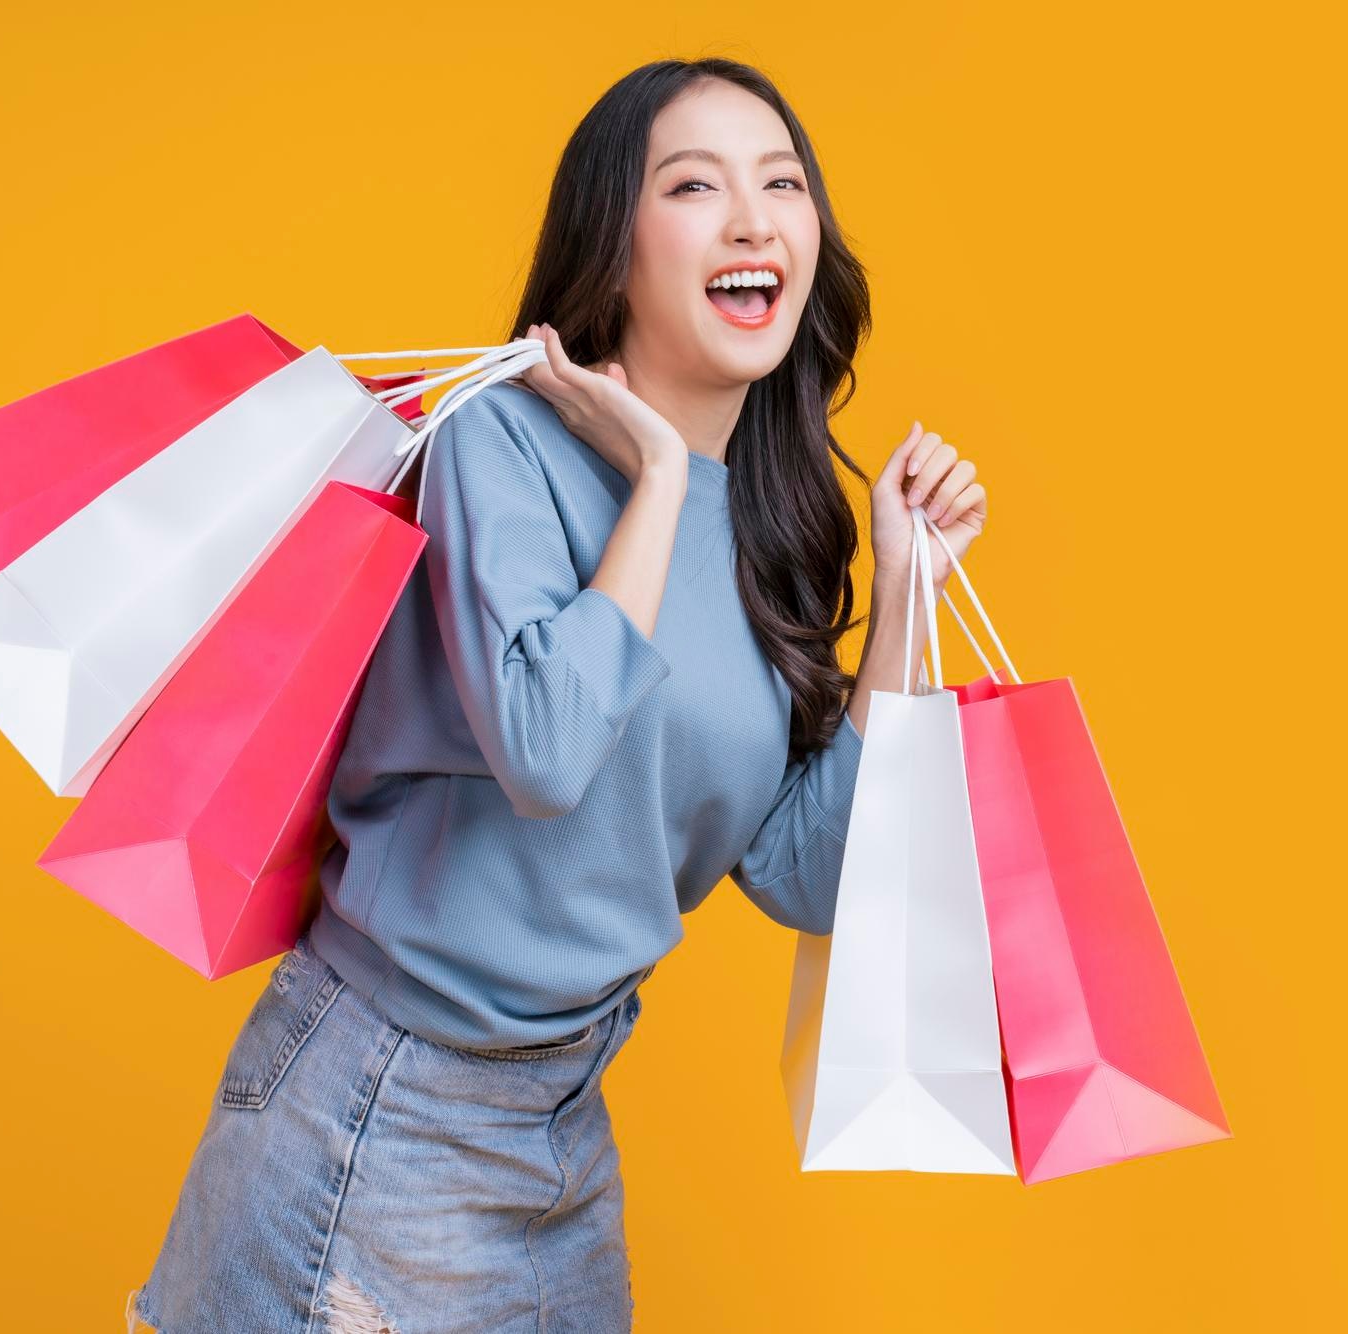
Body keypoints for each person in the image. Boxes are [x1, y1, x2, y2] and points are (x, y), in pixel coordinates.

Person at [129, 55, 989, 1334]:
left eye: (781, 184)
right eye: (695, 186)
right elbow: (544, 744)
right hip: (384, 1104)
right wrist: (650, 475)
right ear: (615, 240)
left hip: (558, 1123)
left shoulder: (770, 521)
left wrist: (906, 596)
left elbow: (800, 876)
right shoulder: (502, 444)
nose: (753, 219)